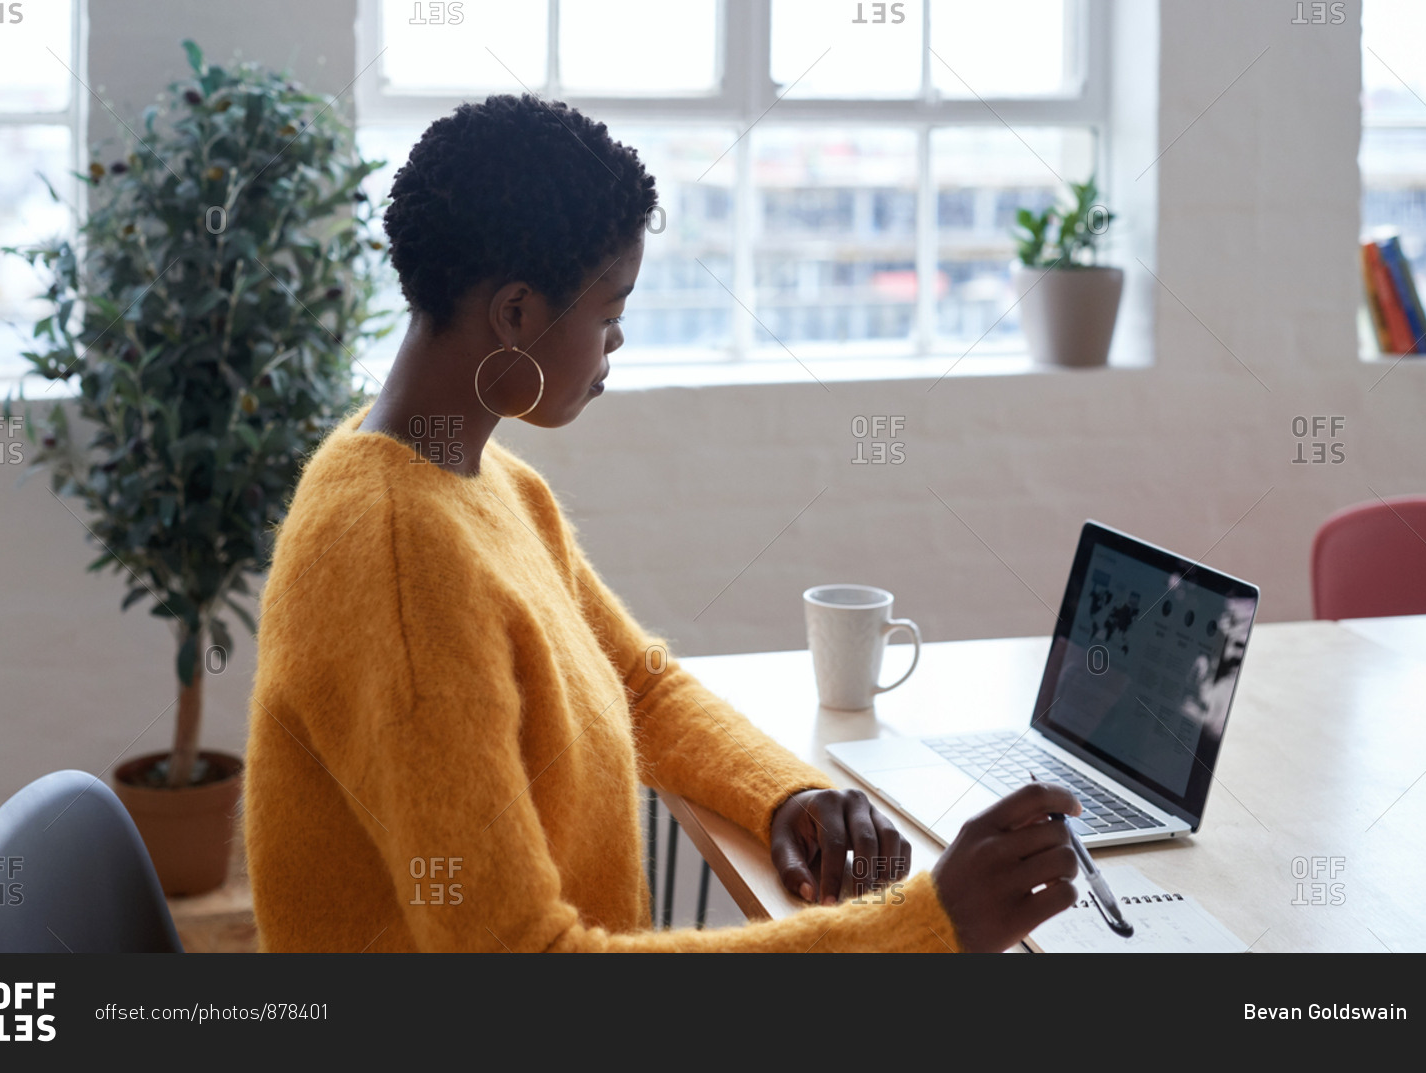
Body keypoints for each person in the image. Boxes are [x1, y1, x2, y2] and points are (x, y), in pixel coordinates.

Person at [244, 94, 1082, 951]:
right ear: (517, 314)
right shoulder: (399, 563)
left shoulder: (481, 481)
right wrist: (923, 928)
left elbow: (639, 686)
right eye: (609, 313)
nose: (617, 342)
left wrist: (784, 793)